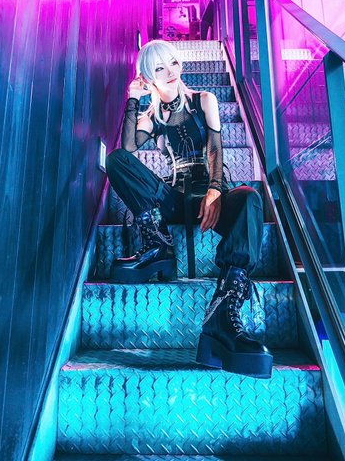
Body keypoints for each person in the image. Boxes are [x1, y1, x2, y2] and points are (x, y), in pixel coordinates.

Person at [106, 39, 272, 378]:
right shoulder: (151, 118)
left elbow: (215, 150)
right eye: (159, 68)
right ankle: (158, 244)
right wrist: (133, 99)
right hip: (171, 199)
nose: (170, 72)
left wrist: (215, 190)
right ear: (148, 77)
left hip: (209, 193)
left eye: (173, 63)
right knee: (116, 160)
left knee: (250, 198)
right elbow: (128, 147)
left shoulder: (204, 100)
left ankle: (224, 313)